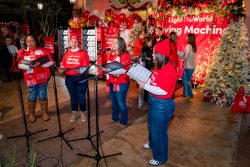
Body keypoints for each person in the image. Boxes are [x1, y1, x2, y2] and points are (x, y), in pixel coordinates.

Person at [137, 39, 177, 166]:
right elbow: (153, 81)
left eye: (154, 53)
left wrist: (144, 86)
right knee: (152, 126)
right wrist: (144, 81)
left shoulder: (168, 69)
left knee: (159, 132)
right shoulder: (159, 66)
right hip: (155, 102)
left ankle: (160, 157)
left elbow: (163, 91)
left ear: (160, 55)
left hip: (162, 105)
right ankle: (152, 143)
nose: (152, 55)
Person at [17, 34, 53, 122]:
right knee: (32, 95)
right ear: (25, 42)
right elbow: (19, 65)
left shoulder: (43, 50)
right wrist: (30, 67)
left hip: (42, 77)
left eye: (32, 41)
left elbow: (51, 62)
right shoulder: (21, 52)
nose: (30, 43)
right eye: (28, 41)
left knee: (43, 94)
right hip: (30, 78)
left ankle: (44, 112)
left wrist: (40, 64)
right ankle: (31, 114)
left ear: (35, 41)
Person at [99, 37, 131, 126]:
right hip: (111, 81)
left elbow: (124, 70)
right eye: (113, 42)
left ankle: (124, 120)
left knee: (121, 103)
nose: (113, 44)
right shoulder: (111, 54)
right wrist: (107, 80)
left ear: (120, 45)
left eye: (115, 43)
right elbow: (110, 68)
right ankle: (115, 117)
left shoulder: (125, 55)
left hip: (122, 83)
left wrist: (108, 71)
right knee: (113, 102)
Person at [59, 35, 90, 123]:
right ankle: (74, 112)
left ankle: (83, 112)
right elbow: (63, 65)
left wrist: (79, 69)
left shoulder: (83, 53)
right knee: (73, 97)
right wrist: (62, 69)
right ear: (69, 43)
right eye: (72, 42)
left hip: (81, 78)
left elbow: (87, 67)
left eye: (75, 42)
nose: (73, 43)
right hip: (69, 78)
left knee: (81, 97)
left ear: (78, 43)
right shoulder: (66, 53)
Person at [179, 33, 197, 102]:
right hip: (191, 66)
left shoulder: (188, 46)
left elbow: (186, 56)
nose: (186, 38)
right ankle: (185, 93)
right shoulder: (193, 46)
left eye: (187, 37)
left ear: (189, 38)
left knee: (186, 81)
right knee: (185, 80)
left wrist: (180, 55)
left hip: (188, 66)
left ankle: (188, 95)